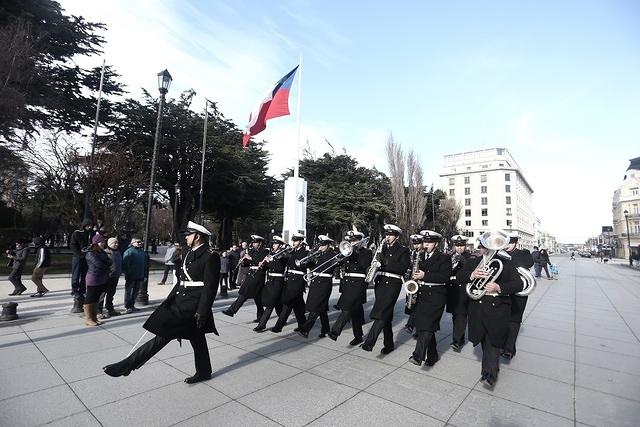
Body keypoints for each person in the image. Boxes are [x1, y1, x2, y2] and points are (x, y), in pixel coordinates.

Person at [103, 221, 220, 384]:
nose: (186, 237)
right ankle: (204, 371)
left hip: (192, 305)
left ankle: (128, 365)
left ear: (198, 237)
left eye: (189, 235)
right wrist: (170, 300)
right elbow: (182, 281)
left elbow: (210, 287)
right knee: (197, 338)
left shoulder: (210, 257)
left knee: (163, 334)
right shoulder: (187, 253)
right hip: (180, 300)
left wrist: (203, 310)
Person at [456, 230, 523, 387]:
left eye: (487, 247)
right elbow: (459, 277)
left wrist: (498, 286)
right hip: (478, 308)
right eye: (483, 246)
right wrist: (472, 275)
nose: (485, 249)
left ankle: (490, 374)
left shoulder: (506, 263)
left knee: (493, 342)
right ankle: (488, 369)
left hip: (497, 308)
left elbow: (518, 284)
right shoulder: (474, 262)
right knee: (483, 340)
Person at [361, 224, 411, 354]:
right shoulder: (381, 249)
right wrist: (371, 268)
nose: (387, 237)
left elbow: (402, 268)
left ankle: (369, 342)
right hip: (380, 283)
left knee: (382, 312)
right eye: (386, 234)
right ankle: (389, 345)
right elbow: (376, 263)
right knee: (386, 314)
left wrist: (386, 262)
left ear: (397, 237)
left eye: (390, 235)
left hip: (393, 283)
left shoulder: (403, 250)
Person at [408, 230, 452, 367]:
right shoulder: (420, 256)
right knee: (426, 326)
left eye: (429, 242)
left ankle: (417, 355)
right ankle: (432, 356)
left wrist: (424, 276)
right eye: (425, 242)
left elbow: (445, 277)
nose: (426, 244)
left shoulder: (444, 257)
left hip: (436, 295)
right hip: (422, 294)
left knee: (426, 327)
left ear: (436, 243)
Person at [328, 231, 373, 345]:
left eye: (355, 240)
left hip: (358, 283)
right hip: (348, 283)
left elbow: (364, 265)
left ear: (361, 241)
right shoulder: (348, 252)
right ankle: (358, 336)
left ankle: (335, 331)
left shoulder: (366, 252)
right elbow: (338, 264)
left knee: (346, 308)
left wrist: (356, 253)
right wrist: (338, 260)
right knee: (355, 312)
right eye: (351, 240)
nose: (352, 242)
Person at [502, 232, 534, 359]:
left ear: (515, 243)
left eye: (510, 242)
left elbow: (528, 263)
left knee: (514, 320)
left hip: (518, 293)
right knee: (503, 320)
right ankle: (505, 345)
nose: (507, 245)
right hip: (503, 291)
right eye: (506, 242)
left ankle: (509, 349)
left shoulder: (523, 253)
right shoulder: (498, 253)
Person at [297, 235, 336, 338]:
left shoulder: (333, 255)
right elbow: (309, 265)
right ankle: (326, 329)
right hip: (315, 282)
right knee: (321, 308)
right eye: (320, 245)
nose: (320, 247)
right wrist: (303, 263)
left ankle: (306, 329)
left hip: (324, 283)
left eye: (323, 245)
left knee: (315, 307)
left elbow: (333, 267)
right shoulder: (317, 254)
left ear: (328, 245)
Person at [222, 235, 268, 321]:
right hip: (250, 274)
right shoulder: (252, 251)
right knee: (258, 298)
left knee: (244, 293)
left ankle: (231, 310)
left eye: (255, 242)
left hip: (258, 276)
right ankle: (260, 316)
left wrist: (250, 258)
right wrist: (242, 262)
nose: (254, 244)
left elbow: (261, 263)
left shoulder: (264, 252)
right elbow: (247, 263)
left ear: (260, 243)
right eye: (253, 242)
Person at [271, 233, 309, 333]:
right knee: (298, 306)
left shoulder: (305, 252)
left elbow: (307, 264)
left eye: (295, 241)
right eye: (293, 241)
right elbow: (287, 264)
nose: (293, 243)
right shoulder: (291, 252)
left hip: (298, 280)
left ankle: (278, 327)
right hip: (290, 280)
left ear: (301, 241)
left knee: (288, 303)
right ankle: (303, 325)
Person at [254, 236, 288, 332]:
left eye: (276, 244)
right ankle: (282, 319)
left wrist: (271, 261)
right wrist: (263, 264)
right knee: (277, 304)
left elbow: (279, 267)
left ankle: (262, 324)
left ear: (281, 245)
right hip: (270, 280)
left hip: (278, 280)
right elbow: (268, 267)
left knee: (270, 304)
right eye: (273, 243)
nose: (273, 245)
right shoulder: (271, 254)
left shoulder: (283, 255)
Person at [446, 234, 472, 351]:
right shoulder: (450, 256)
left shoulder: (470, 257)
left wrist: (464, 261)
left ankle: (457, 340)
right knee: (455, 315)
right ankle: (458, 338)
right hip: (452, 290)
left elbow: (472, 272)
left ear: (465, 246)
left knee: (461, 315)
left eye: (462, 245)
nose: (459, 248)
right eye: (457, 245)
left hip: (463, 290)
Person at [83, 234, 112, 327]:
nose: (103, 243)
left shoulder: (102, 252)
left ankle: (94, 317)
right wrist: (107, 265)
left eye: (104, 241)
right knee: (90, 298)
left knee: (96, 298)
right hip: (93, 277)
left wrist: (107, 264)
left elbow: (110, 261)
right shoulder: (90, 253)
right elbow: (98, 264)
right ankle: (88, 319)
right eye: (101, 242)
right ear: (95, 243)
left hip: (102, 277)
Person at [403, 234, 425, 334]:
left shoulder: (424, 254)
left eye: (418, 243)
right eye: (414, 243)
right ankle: (416, 327)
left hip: (421, 282)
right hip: (412, 282)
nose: (416, 246)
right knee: (412, 305)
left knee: (418, 306)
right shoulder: (412, 253)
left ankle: (411, 325)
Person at [70, 218, 93, 308]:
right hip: (78, 257)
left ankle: (83, 290)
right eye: (88, 226)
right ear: (84, 225)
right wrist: (79, 254)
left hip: (87, 257)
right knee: (76, 275)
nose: (90, 227)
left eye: (91, 226)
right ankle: (75, 291)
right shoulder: (77, 233)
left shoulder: (90, 234)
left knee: (84, 275)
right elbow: (72, 245)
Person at [99, 237, 123, 318]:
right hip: (107, 277)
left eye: (117, 243)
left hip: (115, 276)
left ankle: (110, 308)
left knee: (111, 294)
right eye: (114, 243)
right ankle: (99, 311)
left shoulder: (118, 252)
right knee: (102, 294)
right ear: (109, 244)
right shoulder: (105, 253)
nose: (116, 244)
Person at [122, 237, 147, 313]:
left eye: (140, 242)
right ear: (132, 243)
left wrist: (144, 275)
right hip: (131, 275)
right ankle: (127, 306)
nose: (140, 243)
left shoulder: (142, 252)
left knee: (136, 291)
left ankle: (132, 305)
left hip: (139, 275)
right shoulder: (128, 252)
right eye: (138, 242)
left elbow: (145, 264)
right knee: (128, 291)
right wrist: (128, 273)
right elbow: (125, 265)